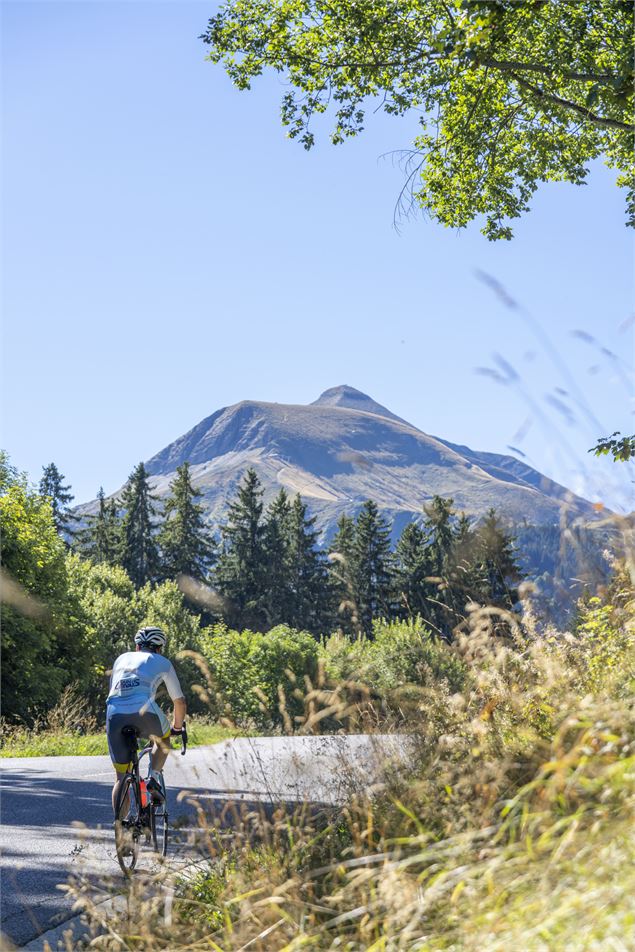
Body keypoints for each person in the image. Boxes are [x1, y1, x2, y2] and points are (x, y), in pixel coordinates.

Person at [106, 625, 187, 814]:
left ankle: (120, 829)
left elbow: (113, 691)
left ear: (137, 646)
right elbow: (180, 701)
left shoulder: (120, 659)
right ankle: (153, 777)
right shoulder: (162, 661)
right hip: (144, 710)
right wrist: (176, 727)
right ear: (159, 648)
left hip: (114, 712)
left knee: (120, 778)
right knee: (163, 739)